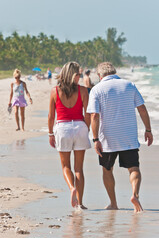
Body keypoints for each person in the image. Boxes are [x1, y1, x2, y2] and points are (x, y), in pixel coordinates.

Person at [87, 62, 153, 212]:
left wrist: (96, 139)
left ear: (99, 75)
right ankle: (135, 195)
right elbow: (142, 108)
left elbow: (94, 115)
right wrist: (148, 129)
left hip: (107, 139)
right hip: (128, 136)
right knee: (134, 168)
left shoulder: (96, 89)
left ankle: (113, 203)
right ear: (114, 72)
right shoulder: (129, 85)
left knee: (107, 169)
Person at [48, 61, 91, 209]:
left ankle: (72, 188)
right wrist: (87, 128)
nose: (79, 76)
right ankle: (80, 202)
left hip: (63, 128)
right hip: (80, 126)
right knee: (79, 168)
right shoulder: (83, 91)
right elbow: (88, 113)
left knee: (66, 166)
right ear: (73, 75)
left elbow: (50, 116)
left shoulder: (55, 91)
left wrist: (50, 134)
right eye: (78, 74)